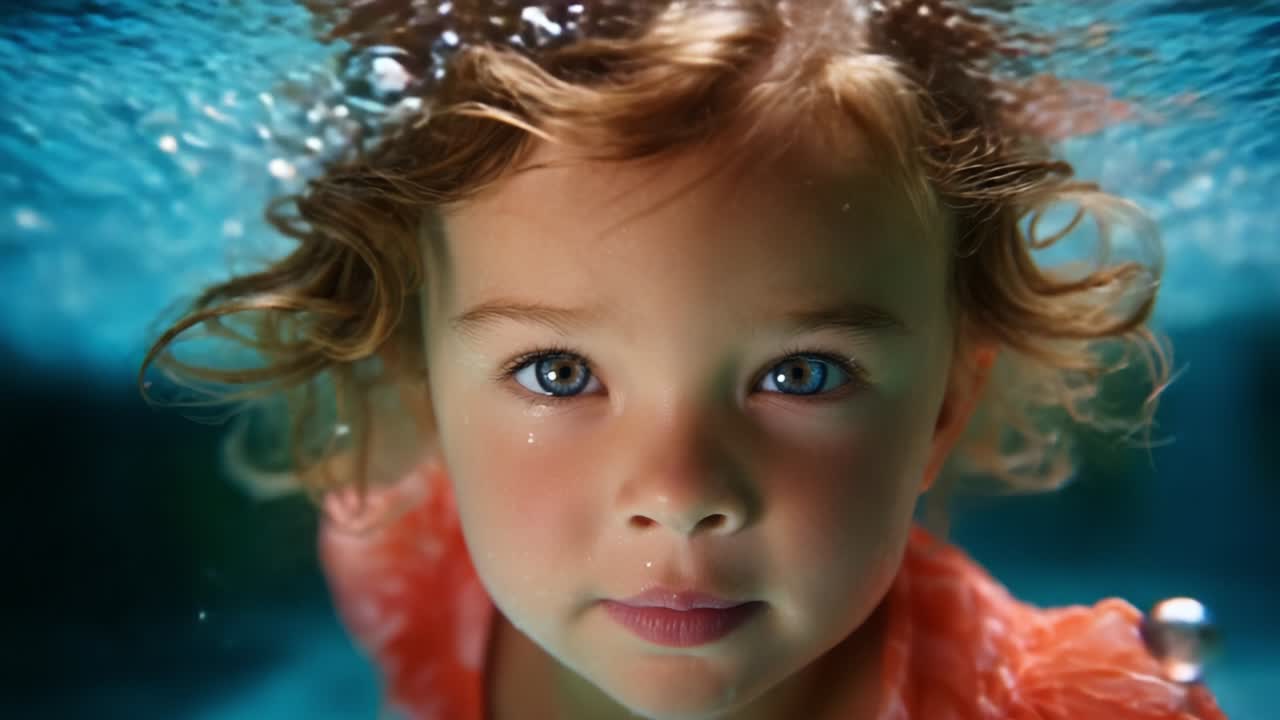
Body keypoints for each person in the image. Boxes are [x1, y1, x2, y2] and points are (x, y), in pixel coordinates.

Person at [142, 1, 1227, 718]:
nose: (679, 495)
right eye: (557, 374)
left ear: (943, 407)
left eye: (801, 373)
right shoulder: (404, 563)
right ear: (426, 387)